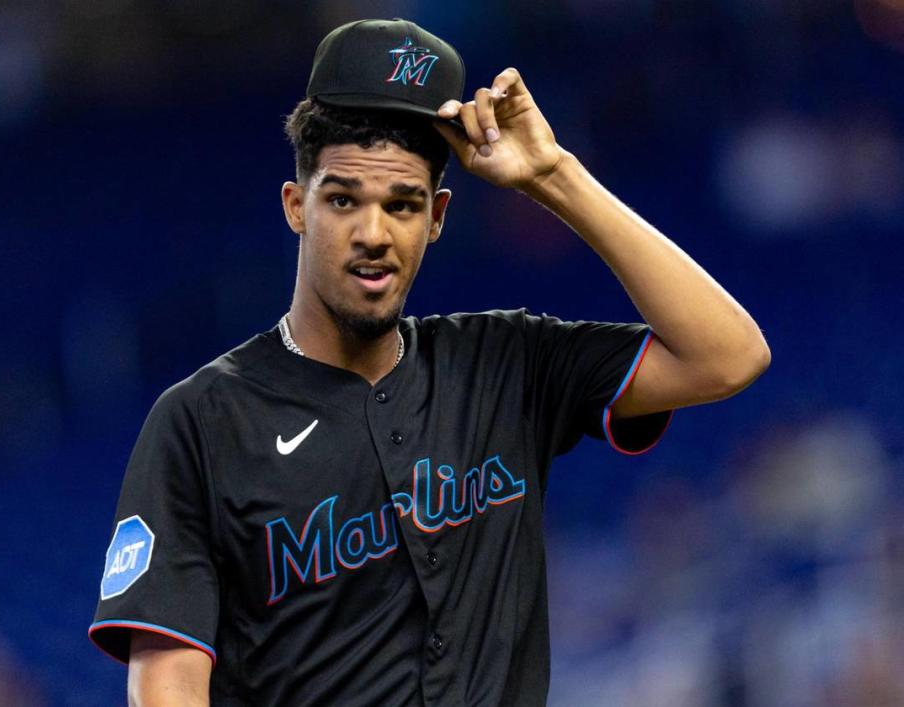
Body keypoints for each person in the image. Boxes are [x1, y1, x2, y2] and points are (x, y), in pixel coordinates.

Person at [88, 18, 770, 707]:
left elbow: (728, 355)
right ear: (298, 206)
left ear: (437, 217)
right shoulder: (202, 420)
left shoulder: (507, 360)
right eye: (344, 199)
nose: (374, 234)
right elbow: (167, 683)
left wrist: (553, 176)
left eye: (404, 204)